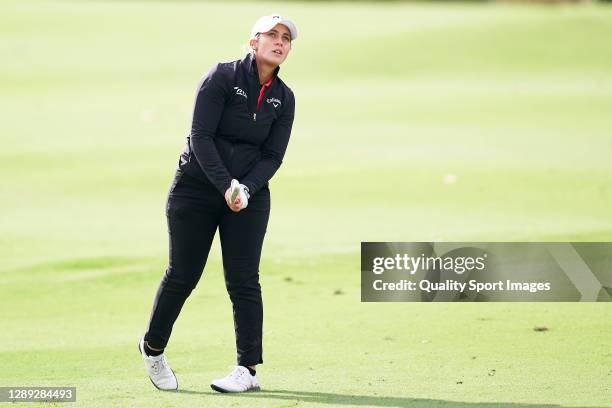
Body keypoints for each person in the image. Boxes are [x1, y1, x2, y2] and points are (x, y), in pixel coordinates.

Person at [137, 14, 297, 393]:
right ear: (253, 42)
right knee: (183, 274)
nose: (279, 42)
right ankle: (153, 348)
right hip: (195, 189)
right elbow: (201, 136)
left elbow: (273, 155)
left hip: (248, 196)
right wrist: (227, 185)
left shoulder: (284, 98)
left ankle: (248, 370)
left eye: (286, 38)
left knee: (244, 280)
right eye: (271, 35)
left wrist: (247, 189)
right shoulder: (221, 77)